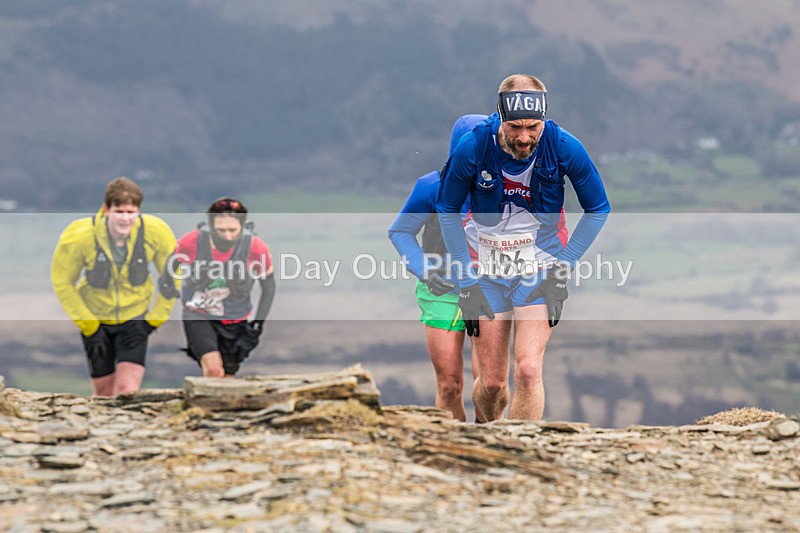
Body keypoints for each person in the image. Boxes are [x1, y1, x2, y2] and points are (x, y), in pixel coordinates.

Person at [436, 74, 610, 421]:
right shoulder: (473, 147)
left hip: (541, 265)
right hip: (486, 268)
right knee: (492, 385)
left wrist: (563, 270)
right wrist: (466, 281)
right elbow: (446, 209)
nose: (525, 137)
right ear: (500, 116)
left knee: (528, 371)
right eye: (516, 127)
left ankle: (518, 455)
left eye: (533, 126)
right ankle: (490, 434)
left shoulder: (563, 146)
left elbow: (598, 209)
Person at [389, 114, 487, 422]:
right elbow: (400, 231)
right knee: (449, 385)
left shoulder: (503, 187)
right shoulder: (431, 186)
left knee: (490, 385)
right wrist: (424, 271)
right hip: (441, 291)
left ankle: (488, 441)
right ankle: (454, 447)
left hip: (489, 290)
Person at [51, 177, 179, 397]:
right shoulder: (80, 235)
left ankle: (129, 430)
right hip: (95, 320)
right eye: (119, 211)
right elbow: (63, 281)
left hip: (134, 320)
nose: (125, 218)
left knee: (127, 391)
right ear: (106, 209)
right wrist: (89, 326)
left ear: (139, 211)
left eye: (131, 212)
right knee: (103, 393)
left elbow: (172, 276)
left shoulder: (156, 232)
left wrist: (152, 321)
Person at [174, 197, 275, 378]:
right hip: (199, 313)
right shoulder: (191, 242)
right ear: (211, 226)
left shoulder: (256, 248)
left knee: (227, 379)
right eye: (221, 230)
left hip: (236, 318)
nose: (227, 236)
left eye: (232, 230)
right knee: (213, 370)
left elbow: (268, 288)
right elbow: (172, 267)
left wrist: (258, 324)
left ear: (243, 226)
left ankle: (206, 406)